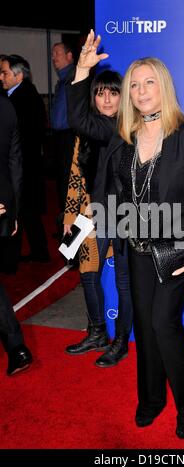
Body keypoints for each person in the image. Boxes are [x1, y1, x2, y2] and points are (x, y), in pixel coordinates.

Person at [67, 31, 184, 439]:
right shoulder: (124, 134)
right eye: (133, 84)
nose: (139, 90)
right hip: (135, 247)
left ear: (163, 87)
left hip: (176, 249)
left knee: (162, 324)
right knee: (145, 329)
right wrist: (82, 69)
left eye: (148, 81)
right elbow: (80, 120)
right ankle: (151, 399)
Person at [64, 70, 133, 368]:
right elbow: (76, 175)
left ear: (122, 96)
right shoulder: (87, 130)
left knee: (124, 281)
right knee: (87, 272)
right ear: (93, 97)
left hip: (125, 214)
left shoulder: (132, 128)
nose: (106, 99)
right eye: (100, 92)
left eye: (113, 92)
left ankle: (120, 341)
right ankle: (97, 333)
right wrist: (71, 213)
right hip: (92, 211)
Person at [0, 54, 50, 264]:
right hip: (25, 166)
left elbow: (19, 138)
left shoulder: (21, 98)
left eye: (5, 72)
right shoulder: (23, 95)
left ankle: (15, 260)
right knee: (27, 214)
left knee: (24, 212)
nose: (1, 77)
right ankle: (37, 253)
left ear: (18, 75)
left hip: (23, 168)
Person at [0, 94, 33, 375]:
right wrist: (13, 210)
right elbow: (15, 164)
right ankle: (16, 346)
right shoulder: (6, 106)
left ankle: (16, 346)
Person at [51, 42, 76, 214]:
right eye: (52, 54)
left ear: (69, 56)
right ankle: (65, 224)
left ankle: (71, 227)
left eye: (57, 53)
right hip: (60, 138)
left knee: (69, 184)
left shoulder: (75, 78)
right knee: (61, 183)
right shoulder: (61, 81)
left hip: (71, 138)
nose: (53, 58)